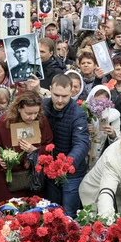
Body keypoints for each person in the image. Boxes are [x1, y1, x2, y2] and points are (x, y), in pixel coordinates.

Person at [0, 91, 54, 204]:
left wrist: (35, 151)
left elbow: (49, 146)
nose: (32, 117)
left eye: (35, 113)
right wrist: (0, 160)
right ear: (19, 108)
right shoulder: (4, 122)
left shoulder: (42, 121)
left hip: (33, 179)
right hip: (8, 180)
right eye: (28, 113)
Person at [43, 74, 90, 216]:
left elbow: (81, 144)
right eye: (56, 95)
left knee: (69, 213)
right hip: (51, 170)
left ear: (72, 93)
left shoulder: (78, 114)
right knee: (51, 211)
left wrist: (66, 164)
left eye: (64, 96)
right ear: (50, 89)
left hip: (71, 173)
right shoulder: (43, 105)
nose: (59, 100)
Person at [86, 85, 121, 169]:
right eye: (96, 102)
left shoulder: (113, 116)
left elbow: (118, 144)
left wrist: (113, 134)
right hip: (84, 155)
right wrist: (84, 129)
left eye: (103, 103)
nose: (99, 106)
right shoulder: (84, 112)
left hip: (102, 157)